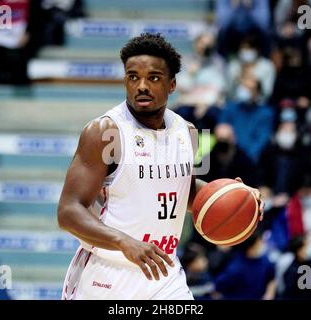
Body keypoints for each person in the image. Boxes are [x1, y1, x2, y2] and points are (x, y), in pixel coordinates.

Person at [57, 33, 265, 300]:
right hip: (106, 277)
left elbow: (186, 191)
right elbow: (68, 211)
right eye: (133, 77)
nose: (141, 86)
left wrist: (239, 196)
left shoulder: (189, 131)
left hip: (164, 275)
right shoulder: (104, 132)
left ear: (172, 84)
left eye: (153, 78)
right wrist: (124, 242)